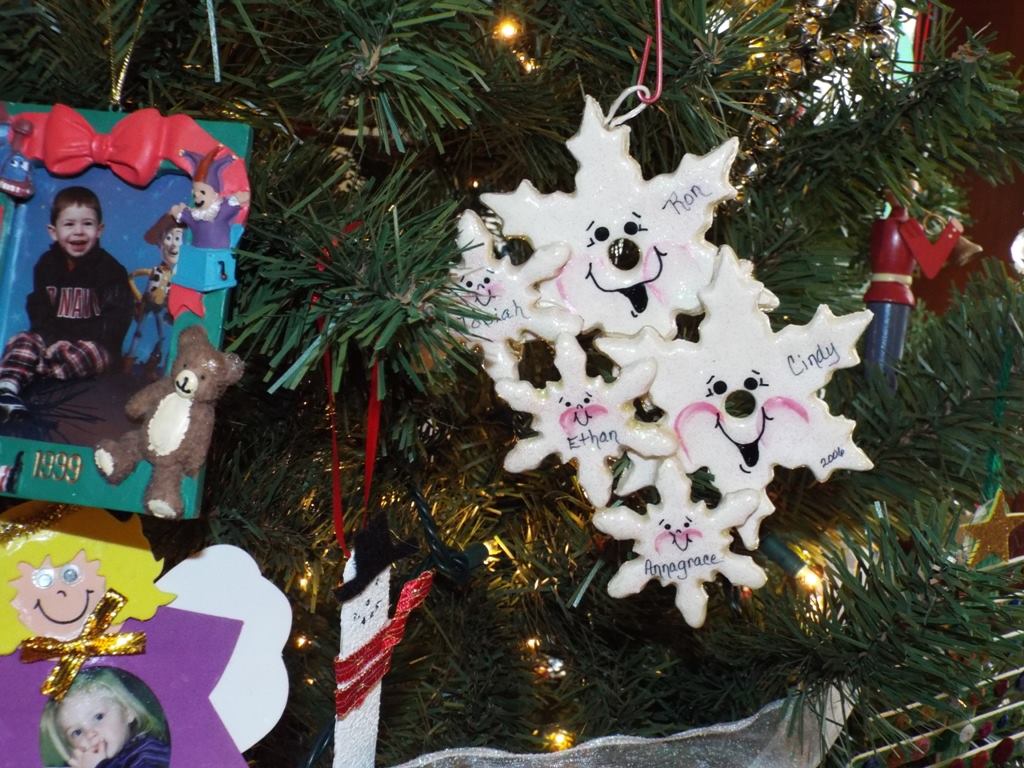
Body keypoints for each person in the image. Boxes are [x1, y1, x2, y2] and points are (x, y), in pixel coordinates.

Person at [0, 186, 132, 418]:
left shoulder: (111, 270)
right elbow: (40, 312)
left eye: (87, 224)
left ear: (99, 230)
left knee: (90, 353)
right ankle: (7, 389)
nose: (78, 232)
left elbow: (115, 323)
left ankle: (33, 370)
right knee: (23, 339)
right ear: (53, 232)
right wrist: (50, 341)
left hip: (94, 346)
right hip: (52, 344)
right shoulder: (46, 265)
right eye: (69, 224)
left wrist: (66, 342)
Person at [40, 667, 170, 768]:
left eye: (99, 717)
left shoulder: (150, 755)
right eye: (77, 732)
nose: (90, 734)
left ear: (127, 712)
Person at [123, 214, 182, 373]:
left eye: (178, 239)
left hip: (163, 310)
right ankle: (128, 364)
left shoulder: (178, 276)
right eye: (168, 238)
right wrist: (139, 297)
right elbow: (132, 276)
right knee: (138, 333)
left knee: (163, 336)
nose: (173, 244)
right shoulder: (154, 271)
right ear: (160, 243)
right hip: (148, 306)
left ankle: (153, 366)